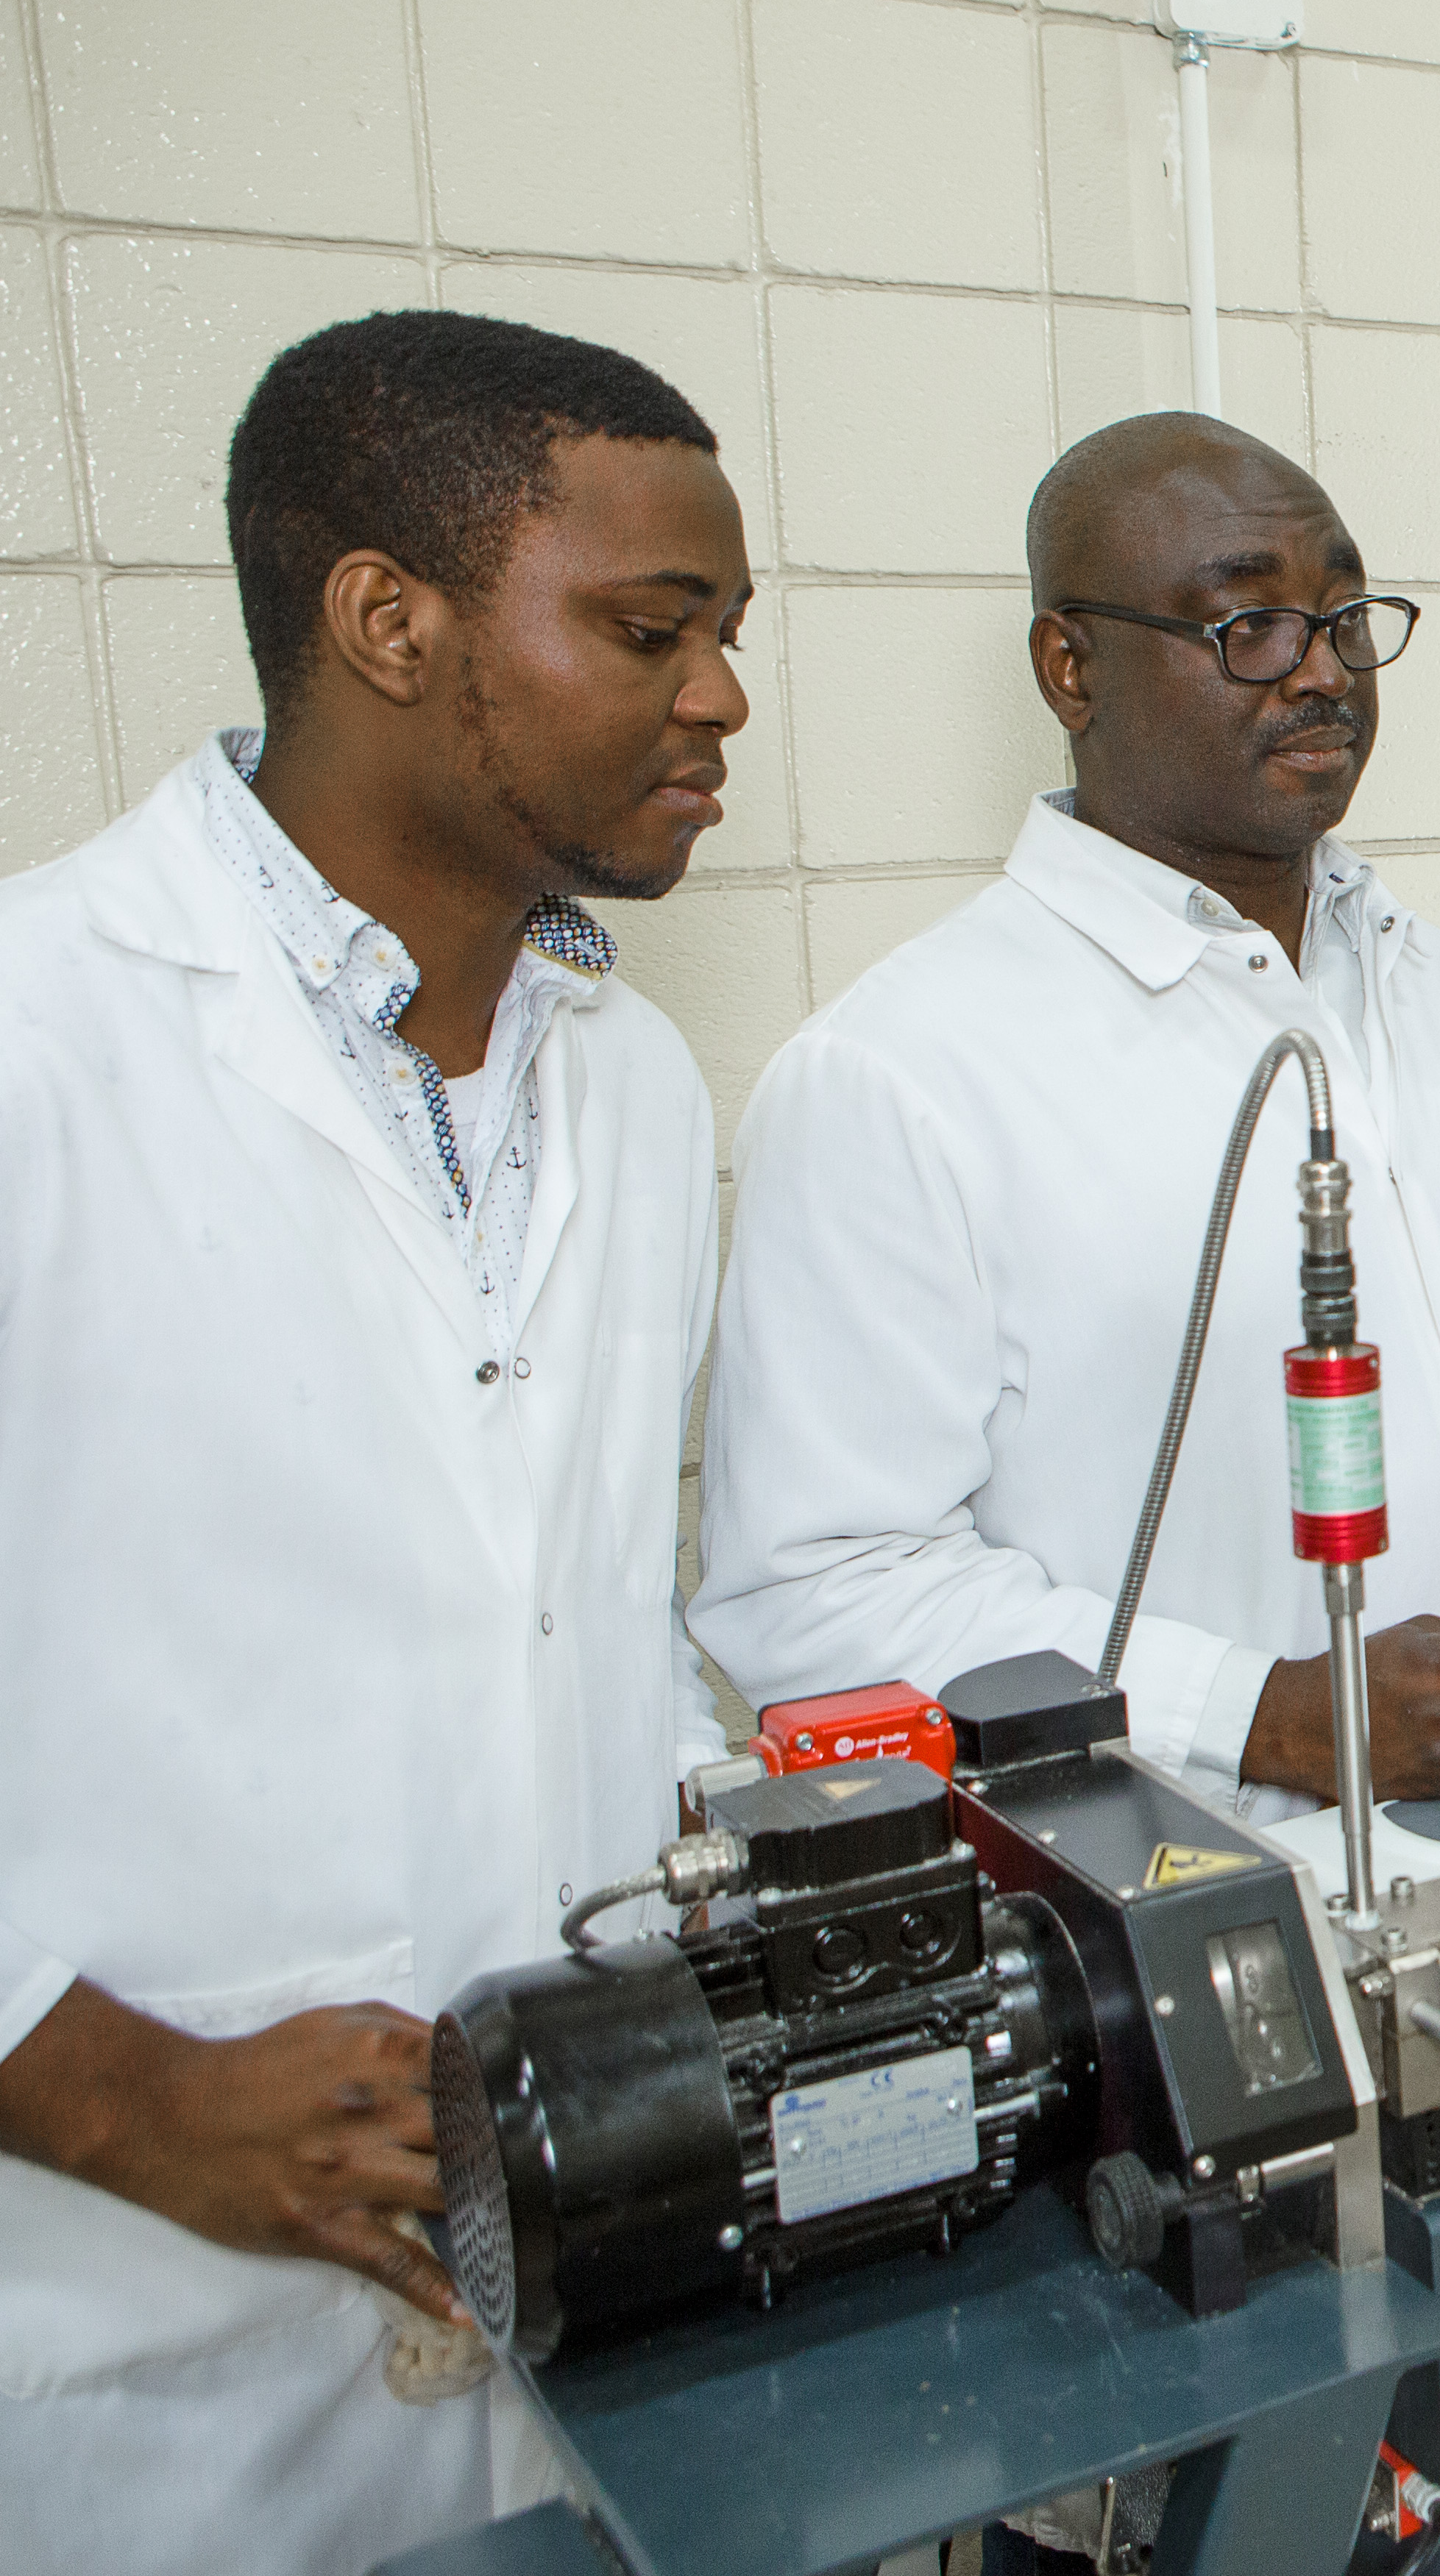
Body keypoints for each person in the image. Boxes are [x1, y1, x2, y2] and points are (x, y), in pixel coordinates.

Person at [0, 312, 749, 2572]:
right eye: (653, 628)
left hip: (583, 2309)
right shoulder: (40, 1044)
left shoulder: (630, 1091)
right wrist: (120, 2097)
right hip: (138, 2375)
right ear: (387, 621)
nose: (720, 698)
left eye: (727, 633)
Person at [696, 413, 1440, 1832]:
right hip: (1220, 1915)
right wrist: (1262, 1712)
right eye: (1250, 624)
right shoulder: (899, 1075)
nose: (1322, 669)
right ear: (1069, 668)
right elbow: (818, 1593)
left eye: (1343, 616)